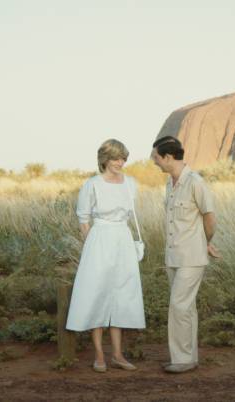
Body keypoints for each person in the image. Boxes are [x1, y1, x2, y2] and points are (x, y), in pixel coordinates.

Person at [66, 139, 145, 373]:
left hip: (122, 238)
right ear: (105, 159)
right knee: (98, 293)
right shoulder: (92, 184)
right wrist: (93, 246)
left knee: (121, 294)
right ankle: (99, 355)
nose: (121, 162)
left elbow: (130, 215)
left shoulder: (131, 183)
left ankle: (118, 355)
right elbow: (83, 219)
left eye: (123, 158)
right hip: (99, 239)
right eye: (116, 158)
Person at [150, 136, 220, 374]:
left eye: (156, 157)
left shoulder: (195, 182)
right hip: (173, 256)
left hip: (192, 256)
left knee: (179, 305)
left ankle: (181, 360)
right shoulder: (170, 183)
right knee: (186, 308)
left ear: (168, 157)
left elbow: (210, 219)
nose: (154, 162)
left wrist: (205, 242)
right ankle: (190, 357)